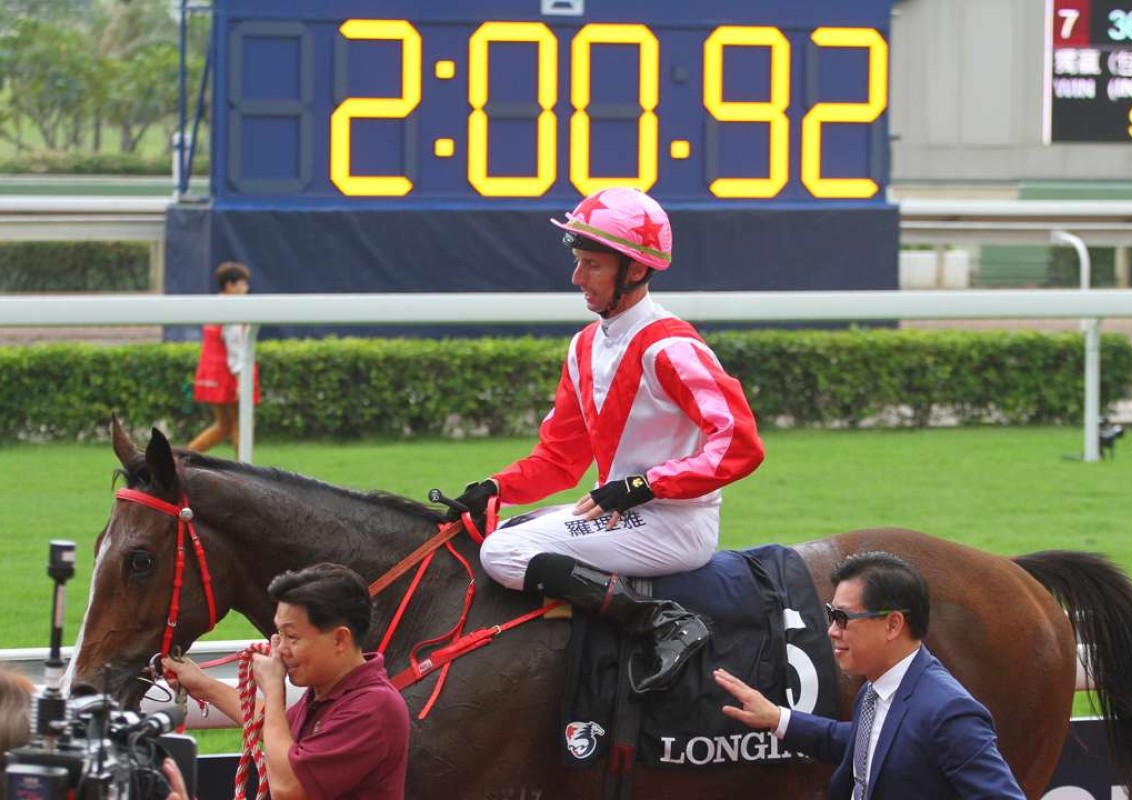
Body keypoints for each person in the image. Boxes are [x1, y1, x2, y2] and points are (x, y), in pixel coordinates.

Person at [452, 186, 765, 693]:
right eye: (578, 262)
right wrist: (495, 487)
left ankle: (660, 620)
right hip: (619, 515)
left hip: (676, 524)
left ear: (636, 270)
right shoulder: (583, 346)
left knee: (503, 555)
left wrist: (646, 484)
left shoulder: (672, 346)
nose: (578, 278)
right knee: (493, 534)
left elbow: (740, 445)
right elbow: (559, 457)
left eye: (593, 265)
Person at [714, 551, 1024, 800]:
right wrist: (778, 718)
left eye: (843, 618)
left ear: (892, 625)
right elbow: (870, 743)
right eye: (831, 615)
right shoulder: (875, 690)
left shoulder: (950, 713)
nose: (832, 631)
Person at [165, 563, 409, 799]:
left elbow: (289, 789)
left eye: (292, 637)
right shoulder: (328, 693)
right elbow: (277, 730)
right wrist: (203, 685)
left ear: (340, 640)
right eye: (278, 634)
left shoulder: (373, 708)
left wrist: (273, 690)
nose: (280, 649)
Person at [188, 261, 260, 453]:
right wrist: (241, 381)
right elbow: (235, 350)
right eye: (242, 284)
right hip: (227, 374)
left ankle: (180, 459)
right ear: (230, 285)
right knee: (240, 424)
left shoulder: (213, 305)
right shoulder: (232, 310)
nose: (246, 288)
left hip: (211, 372)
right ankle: (245, 471)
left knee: (223, 425)